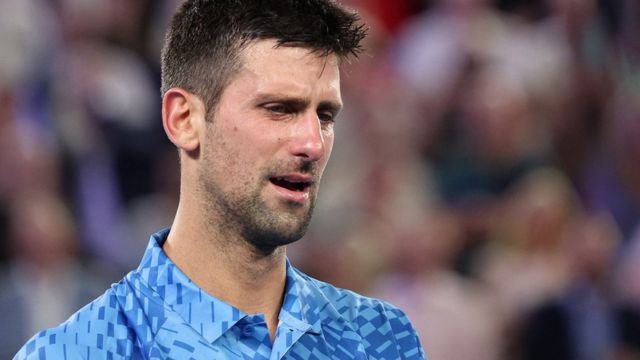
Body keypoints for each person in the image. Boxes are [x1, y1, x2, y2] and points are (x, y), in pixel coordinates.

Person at [15, 0, 426, 359]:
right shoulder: (76, 352)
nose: (313, 144)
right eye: (279, 108)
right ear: (185, 119)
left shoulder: (381, 338)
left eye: (325, 116)